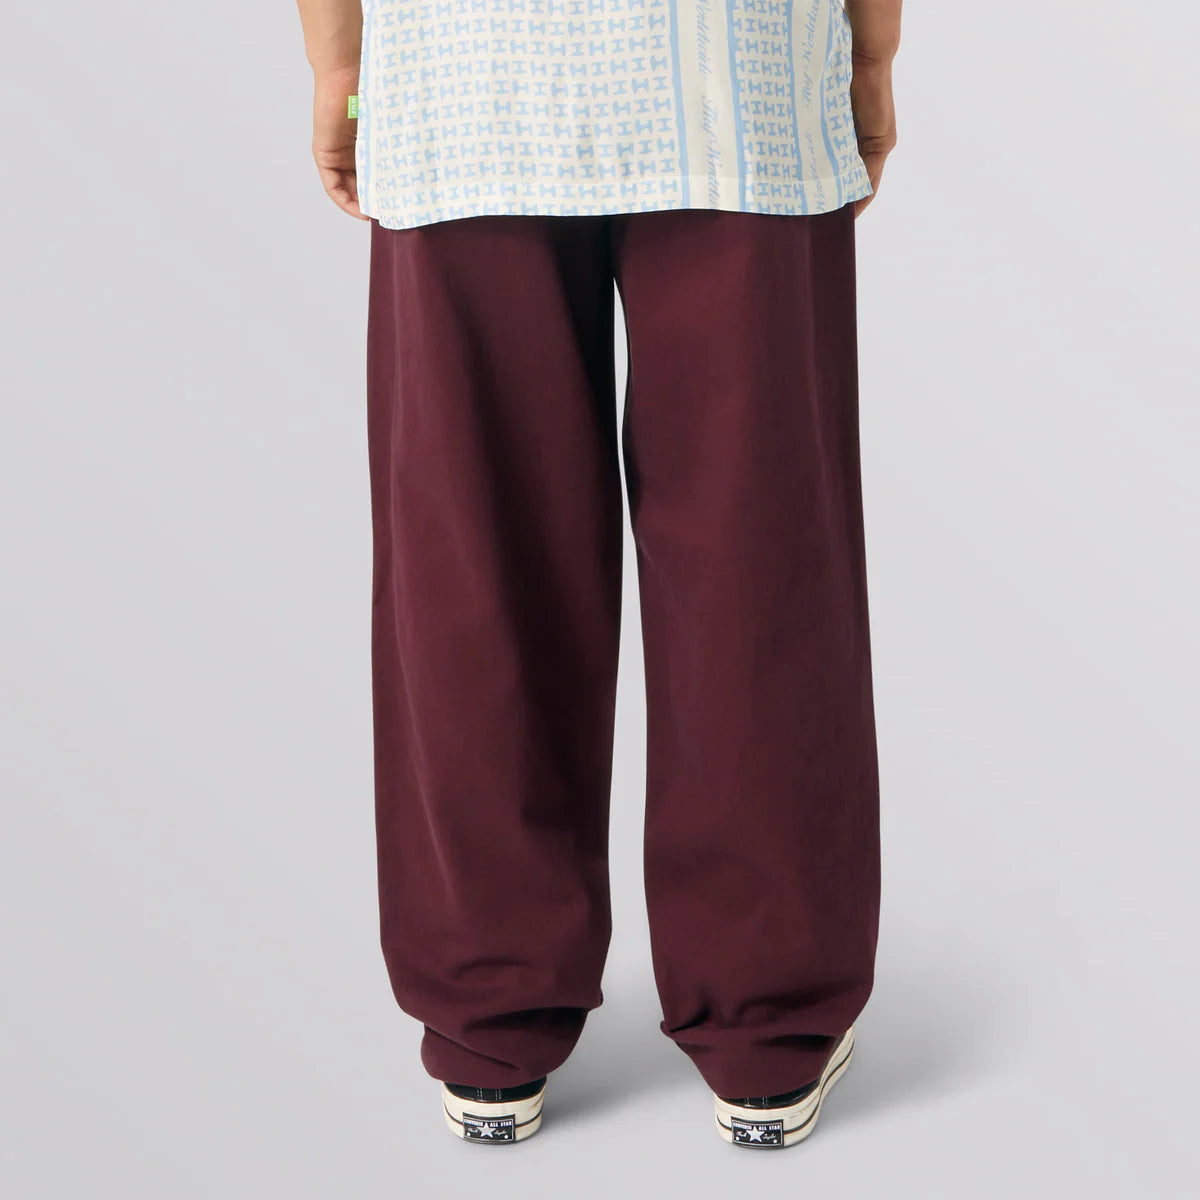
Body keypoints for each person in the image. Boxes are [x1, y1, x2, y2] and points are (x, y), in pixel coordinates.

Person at [295, 0, 900, 1150]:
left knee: (475, 564)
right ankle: (766, 1032)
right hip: (739, 66)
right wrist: (870, 50)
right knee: (758, 560)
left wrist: (339, 61)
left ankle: (490, 1022)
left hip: (461, 74)